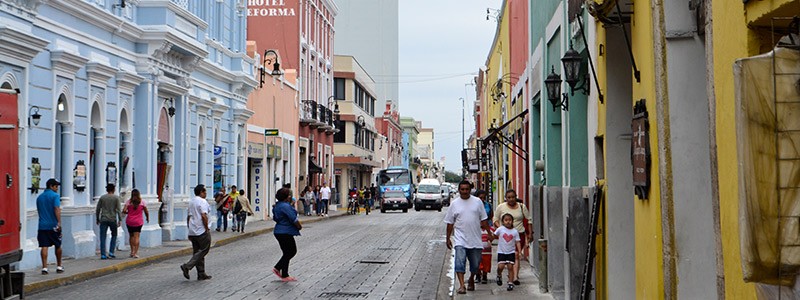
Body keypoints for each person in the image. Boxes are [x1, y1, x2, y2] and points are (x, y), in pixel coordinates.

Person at [444, 180, 493, 294]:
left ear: (470, 190)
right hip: (460, 239)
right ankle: (462, 285)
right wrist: (448, 238)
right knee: (459, 263)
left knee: (475, 265)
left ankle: (471, 279)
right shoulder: (454, 204)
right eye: (462, 189)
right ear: (459, 190)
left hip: (475, 239)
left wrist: (490, 234)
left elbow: (484, 220)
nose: (464, 191)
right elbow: (450, 223)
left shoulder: (477, 202)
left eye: (467, 189)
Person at [493, 189, 533, 286]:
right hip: (505, 237)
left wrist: (530, 233)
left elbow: (529, 220)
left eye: (513, 197)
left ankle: (515, 276)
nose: (511, 199)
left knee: (516, 255)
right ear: (506, 198)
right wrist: (502, 229)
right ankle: (507, 274)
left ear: (516, 197)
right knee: (507, 257)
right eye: (509, 197)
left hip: (519, 234)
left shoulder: (521, 206)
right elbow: (495, 219)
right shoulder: (501, 207)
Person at [181, 184, 212, 281]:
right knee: (204, 250)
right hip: (201, 230)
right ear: (201, 192)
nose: (206, 193)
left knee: (197, 252)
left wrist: (189, 228)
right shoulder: (202, 202)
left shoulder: (191, 202)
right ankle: (187, 266)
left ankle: (201, 273)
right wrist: (206, 227)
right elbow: (203, 215)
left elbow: (189, 217)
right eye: (205, 191)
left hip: (193, 230)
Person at [272, 187, 302, 282]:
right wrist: (299, 226)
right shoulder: (285, 206)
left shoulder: (278, 205)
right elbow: (293, 218)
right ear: (286, 197)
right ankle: (278, 267)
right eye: (289, 195)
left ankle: (285, 275)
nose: (290, 196)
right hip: (285, 231)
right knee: (292, 251)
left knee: (286, 253)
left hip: (279, 231)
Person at [37, 178, 63, 275]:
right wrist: (59, 222)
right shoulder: (55, 196)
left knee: (44, 246)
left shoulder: (39, 197)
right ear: (51, 186)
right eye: (56, 186)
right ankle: (59, 266)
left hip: (42, 225)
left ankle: (44, 267)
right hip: (53, 225)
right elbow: (56, 208)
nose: (57, 188)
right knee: (58, 245)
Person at [493, 213, 522, 291]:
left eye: (510, 220)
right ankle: (499, 274)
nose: (508, 222)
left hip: (511, 252)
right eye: (506, 220)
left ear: (512, 221)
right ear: (503, 221)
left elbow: (518, 242)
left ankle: (510, 282)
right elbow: (494, 235)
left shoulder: (515, 232)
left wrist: (519, 252)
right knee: (501, 266)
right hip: (501, 252)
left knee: (510, 267)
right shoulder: (500, 229)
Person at [96, 184, 122, 259]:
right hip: (112, 219)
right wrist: (120, 220)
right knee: (114, 235)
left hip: (103, 218)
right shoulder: (116, 198)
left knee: (102, 236)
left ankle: (103, 254)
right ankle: (111, 252)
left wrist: (97, 218)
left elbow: (98, 209)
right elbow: (118, 210)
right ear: (113, 189)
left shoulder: (102, 198)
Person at [123, 189, 149, 258]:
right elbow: (146, 211)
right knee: (136, 236)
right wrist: (147, 218)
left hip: (129, 221)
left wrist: (128, 213)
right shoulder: (142, 202)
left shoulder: (129, 202)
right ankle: (135, 253)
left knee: (131, 236)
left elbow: (124, 210)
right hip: (138, 222)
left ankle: (132, 251)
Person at [474, 190, 493, 284]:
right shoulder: (473, 206)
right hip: (476, 229)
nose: (482, 199)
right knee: (476, 257)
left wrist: (489, 231)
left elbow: (491, 216)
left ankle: (484, 274)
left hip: (486, 229)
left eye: (483, 198)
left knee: (486, 258)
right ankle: (477, 274)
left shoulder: (488, 206)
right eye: (480, 197)